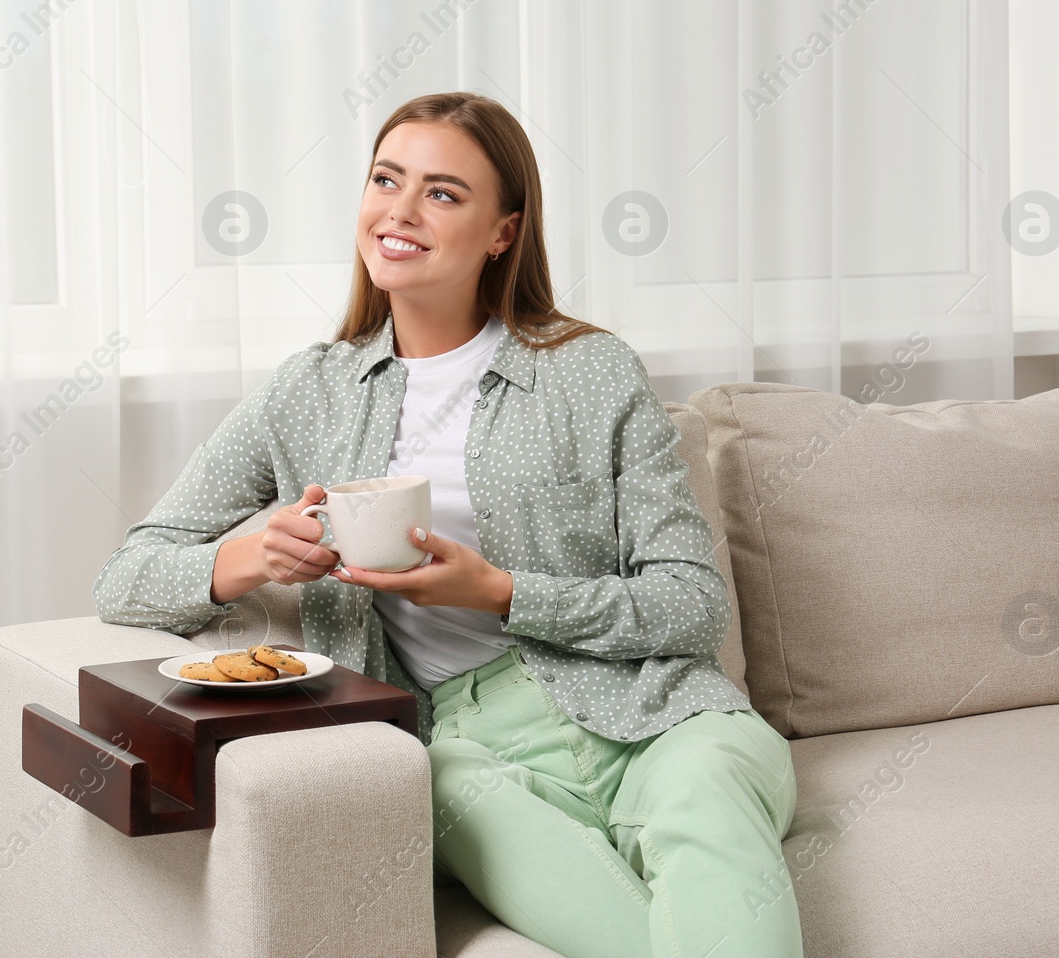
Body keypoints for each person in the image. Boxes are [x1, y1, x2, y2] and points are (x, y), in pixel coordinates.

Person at [93, 91, 803, 958]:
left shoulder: (590, 370)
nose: (400, 209)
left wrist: (503, 593)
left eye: (442, 192)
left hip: (664, 715)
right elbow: (126, 576)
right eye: (386, 179)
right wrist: (251, 557)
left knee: (706, 804)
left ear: (503, 230)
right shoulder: (306, 393)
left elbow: (692, 605)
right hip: (465, 748)